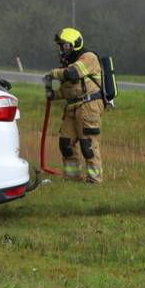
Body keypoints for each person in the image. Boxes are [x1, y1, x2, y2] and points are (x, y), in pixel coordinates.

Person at [45, 27, 104, 183]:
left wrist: (53, 73)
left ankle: (94, 180)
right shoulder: (69, 63)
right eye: (61, 46)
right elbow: (69, 90)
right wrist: (54, 94)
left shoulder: (88, 57)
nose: (62, 50)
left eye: (65, 45)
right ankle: (72, 179)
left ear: (76, 44)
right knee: (66, 143)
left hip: (89, 105)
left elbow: (72, 73)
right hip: (72, 107)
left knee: (88, 145)